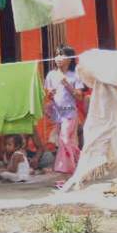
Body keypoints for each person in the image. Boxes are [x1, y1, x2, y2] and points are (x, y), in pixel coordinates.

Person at [45, 45, 84, 174]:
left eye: (62, 55)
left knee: (64, 139)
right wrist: (50, 94)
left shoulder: (75, 75)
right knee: (66, 141)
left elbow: (80, 96)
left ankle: (64, 167)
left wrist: (67, 84)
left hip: (70, 113)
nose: (58, 58)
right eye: (57, 55)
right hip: (57, 114)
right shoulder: (51, 75)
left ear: (70, 59)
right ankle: (82, 160)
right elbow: (49, 96)